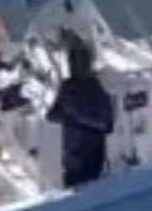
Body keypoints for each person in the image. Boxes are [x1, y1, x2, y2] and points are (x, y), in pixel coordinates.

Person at [44, 33, 115, 188]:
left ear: (88, 64)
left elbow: (106, 125)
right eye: (72, 62)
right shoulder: (67, 86)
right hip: (72, 156)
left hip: (91, 155)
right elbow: (51, 115)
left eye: (78, 62)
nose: (74, 66)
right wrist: (64, 114)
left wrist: (76, 116)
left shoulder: (97, 89)